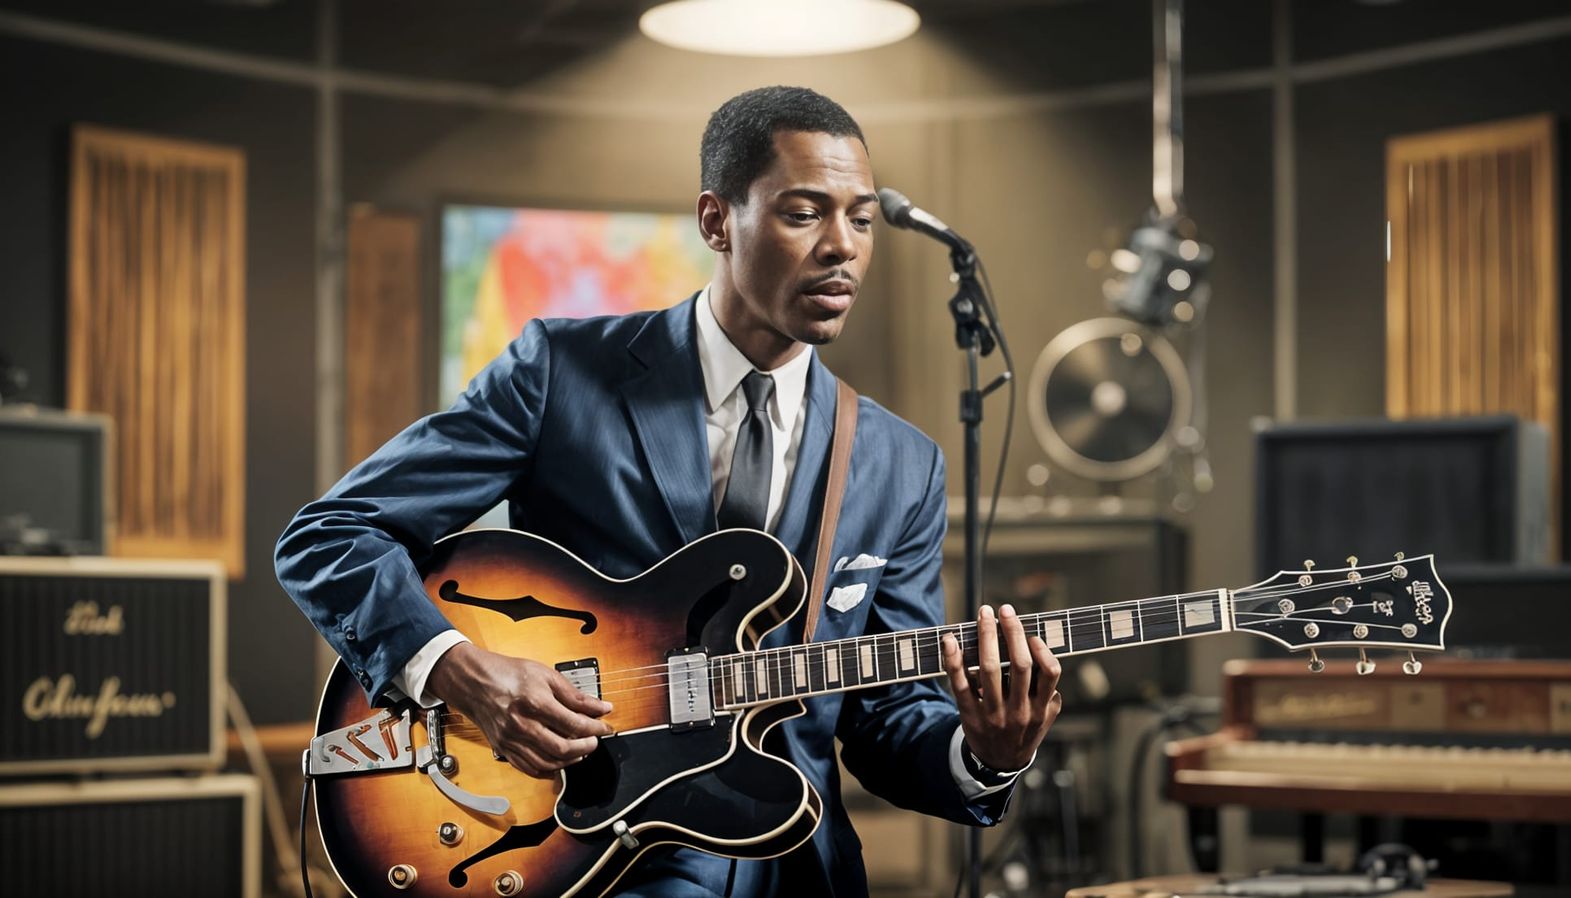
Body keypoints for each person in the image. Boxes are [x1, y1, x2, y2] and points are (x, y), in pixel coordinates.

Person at [275, 85, 1061, 897]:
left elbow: (886, 720)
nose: (843, 248)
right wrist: (460, 670)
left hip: (797, 871)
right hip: (587, 854)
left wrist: (986, 755)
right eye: (803, 213)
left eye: (861, 219)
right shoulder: (562, 373)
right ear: (717, 221)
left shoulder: (903, 464)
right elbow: (328, 535)